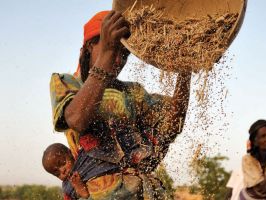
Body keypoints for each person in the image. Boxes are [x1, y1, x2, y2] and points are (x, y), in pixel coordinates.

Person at [49, 10, 191, 199]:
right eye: (114, 49)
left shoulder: (133, 93)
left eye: (124, 54)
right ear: (90, 46)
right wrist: (108, 52)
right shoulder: (68, 83)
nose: (118, 60)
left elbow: (174, 124)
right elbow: (77, 119)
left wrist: (186, 69)